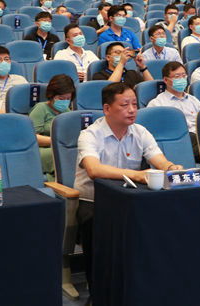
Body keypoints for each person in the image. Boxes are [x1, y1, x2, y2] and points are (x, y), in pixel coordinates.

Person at [74, 82, 182, 295]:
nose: (132, 110)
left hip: (130, 198)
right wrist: (137, 175)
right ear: (107, 108)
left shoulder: (140, 131)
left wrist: (171, 168)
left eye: (134, 104)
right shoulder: (90, 134)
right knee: (95, 225)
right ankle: (98, 293)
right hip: (95, 201)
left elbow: (159, 160)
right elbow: (94, 170)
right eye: (124, 105)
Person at [148, 62, 200, 161]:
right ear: (166, 80)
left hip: (199, 139)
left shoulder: (193, 100)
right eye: (177, 77)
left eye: (184, 76)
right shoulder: (157, 103)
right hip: (177, 143)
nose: (182, 79)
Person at [29, 74, 75, 181]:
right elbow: (33, 138)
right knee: (63, 154)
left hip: (61, 147)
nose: (65, 101)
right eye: (61, 98)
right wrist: (55, 142)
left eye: (68, 99)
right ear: (51, 95)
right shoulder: (40, 109)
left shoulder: (67, 112)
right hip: (42, 150)